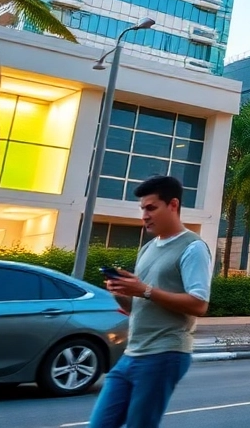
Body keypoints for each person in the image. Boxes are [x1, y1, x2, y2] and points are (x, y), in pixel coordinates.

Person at [88, 175, 213, 427]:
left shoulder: (194, 247)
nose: (144, 215)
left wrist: (144, 289)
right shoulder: (147, 248)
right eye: (142, 209)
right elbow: (139, 305)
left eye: (151, 208)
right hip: (132, 353)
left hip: (165, 353)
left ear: (173, 205)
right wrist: (121, 291)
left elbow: (199, 304)